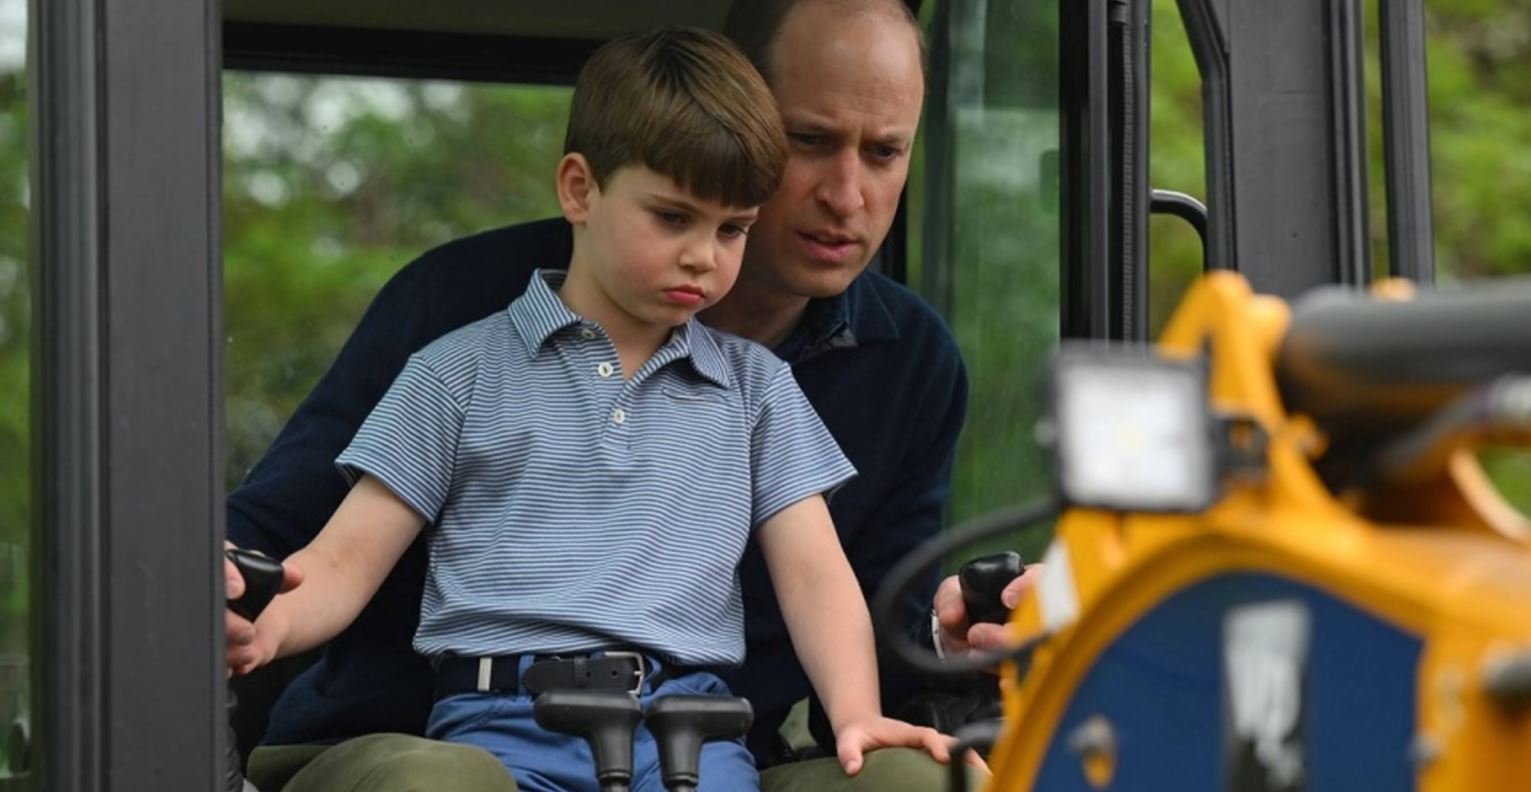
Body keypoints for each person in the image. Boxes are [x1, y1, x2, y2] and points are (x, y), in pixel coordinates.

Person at [228, 1, 989, 790]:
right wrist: (261, 619)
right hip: (492, 735)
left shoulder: (765, 390)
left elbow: (820, 579)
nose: (702, 257)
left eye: (732, 229)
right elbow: (335, 557)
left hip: (696, 739)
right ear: (580, 190)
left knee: (920, 780)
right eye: (673, 218)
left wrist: (864, 704)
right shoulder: (455, 355)